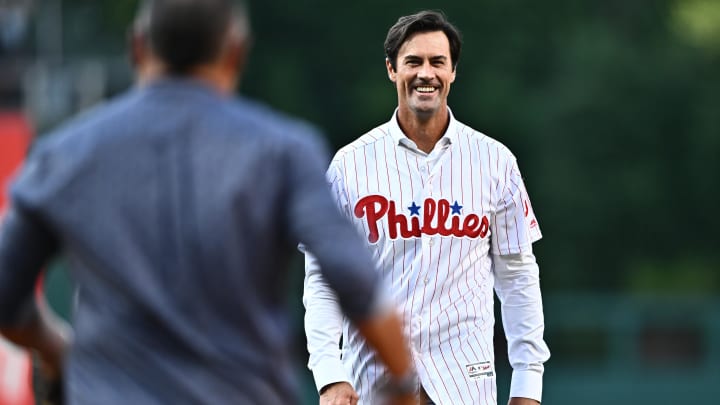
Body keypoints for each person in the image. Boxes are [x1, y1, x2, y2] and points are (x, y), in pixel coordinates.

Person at [0, 0, 419, 404]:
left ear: (137, 47)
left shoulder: (66, 155)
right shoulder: (282, 152)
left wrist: (55, 349)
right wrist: (400, 386)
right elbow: (359, 287)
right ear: (237, 53)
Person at [303, 10, 551, 405]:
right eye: (413, 62)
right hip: (372, 380)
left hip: (464, 381)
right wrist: (329, 374)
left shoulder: (495, 161)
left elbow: (518, 277)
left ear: (453, 72)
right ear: (391, 69)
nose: (426, 73)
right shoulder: (350, 165)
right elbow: (324, 278)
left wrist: (527, 384)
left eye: (438, 62)